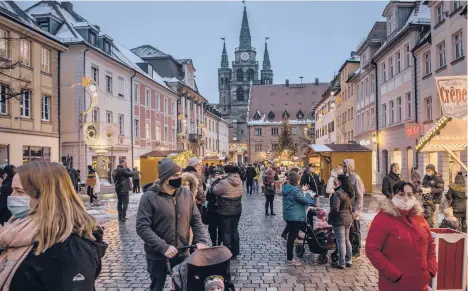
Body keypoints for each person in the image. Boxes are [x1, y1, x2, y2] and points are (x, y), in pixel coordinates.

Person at [0, 161, 107, 290]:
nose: (11, 197)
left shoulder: (71, 248)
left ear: (46, 195)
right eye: (12, 190)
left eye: (19, 191)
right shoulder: (17, 229)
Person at [136, 158, 208, 291]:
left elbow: (196, 220)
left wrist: (201, 240)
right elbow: (142, 227)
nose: (179, 178)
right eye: (175, 175)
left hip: (182, 253)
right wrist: (163, 247)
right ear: (164, 178)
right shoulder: (149, 197)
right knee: (157, 287)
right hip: (158, 255)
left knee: (182, 286)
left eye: (180, 174)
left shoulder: (186, 194)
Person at [366, 181, 437, 291]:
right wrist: (395, 275)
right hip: (395, 285)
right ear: (393, 196)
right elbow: (372, 250)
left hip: (420, 285)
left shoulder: (418, 217)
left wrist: (431, 269)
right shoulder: (382, 219)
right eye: (401, 194)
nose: (405, 198)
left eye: (409, 194)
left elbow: (430, 244)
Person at [282, 171, 315, 266]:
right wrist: (308, 194)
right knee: (292, 238)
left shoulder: (288, 188)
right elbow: (306, 201)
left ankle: (286, 234)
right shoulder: (295, 191)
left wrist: (302, 190)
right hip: (295, 216)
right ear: (296, 180)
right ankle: (290, 259)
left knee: (301, 230)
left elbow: (297, 193)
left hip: (290, 215)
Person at [212, 165, 243, 259]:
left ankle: (227, 252)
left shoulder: (224, 182)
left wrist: (216, 181)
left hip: (225, 210)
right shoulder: (239, 181)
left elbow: (215, 191)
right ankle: (235, 251)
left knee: (226, 232)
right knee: (234, 230)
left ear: (226, 172)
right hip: (237, 210)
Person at [328, 174, 354, 269]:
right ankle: (349, 260)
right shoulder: (349, 192)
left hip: (340, 219)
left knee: (341, 241)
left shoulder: (338, 193)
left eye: (337, 180)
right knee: (347, 240)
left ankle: (341, 263)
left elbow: (335, 208)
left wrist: (330, 216)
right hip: (348, 218)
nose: (335, 181)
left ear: (340, 182)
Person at [343, 159, 365, 259]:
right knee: (349, 230)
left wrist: (358, 210)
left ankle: (356, 251)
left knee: (355, 229)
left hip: (354, 208)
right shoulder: (347, 177)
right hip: (347, 207)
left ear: (349, 166)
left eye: (344, 165)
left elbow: (360, 195)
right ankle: (350, 249)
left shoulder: (356, 178)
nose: (343, 167)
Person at [206, 168, 224, 246]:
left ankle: (219, 242)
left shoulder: (224, 184)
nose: (217, 176)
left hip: (221, 208)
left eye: (218, 175)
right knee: (212, 228)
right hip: (212, 208)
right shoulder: (212, 184)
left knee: (221, 227)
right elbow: (208, 197)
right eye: (215, 175)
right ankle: (214, 241)